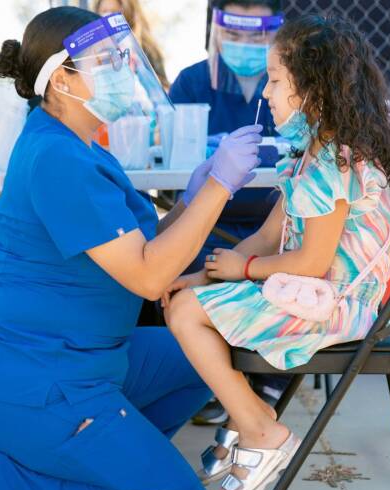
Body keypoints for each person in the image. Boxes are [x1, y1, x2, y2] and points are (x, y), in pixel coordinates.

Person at [0, 8, 262, 490]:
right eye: (107, 61)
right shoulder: (57, 157)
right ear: (62, 78)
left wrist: (187, 202)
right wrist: (218, 191)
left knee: (205, 354)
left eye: (123, 58)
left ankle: (100, 470)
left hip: (83, 362)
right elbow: (147, 279)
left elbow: (136, 248)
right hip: (41, 383)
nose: (123, 70)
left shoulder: (79, 141)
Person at [162, 14, 390, 490]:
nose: (265, 94)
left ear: (313, 89)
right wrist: (197, 274)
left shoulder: (331, 162)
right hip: (307, 291)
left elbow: (312, 259)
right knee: (187, 301)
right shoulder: (307, 155)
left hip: (338, 305)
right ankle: (251, 418)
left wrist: (242, 271)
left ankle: (258, 429)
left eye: (276, 81)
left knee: (187, 315)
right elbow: (264, 237)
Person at [170, 0, 288, 425]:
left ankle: (268, 377)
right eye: (234, 34)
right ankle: (214, 380)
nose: (244, 45)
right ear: (217, 30)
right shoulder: (192, 83)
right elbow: (171, 161)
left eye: (256, 35)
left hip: (275, 226)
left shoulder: (290, 85)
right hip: (209, 225)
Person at [93, 0, 168, 88]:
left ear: (129, 14)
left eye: (114, 12)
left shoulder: (147, 48)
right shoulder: (94, 51)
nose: (108, 16)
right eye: (104, 11)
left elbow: (164, 87)